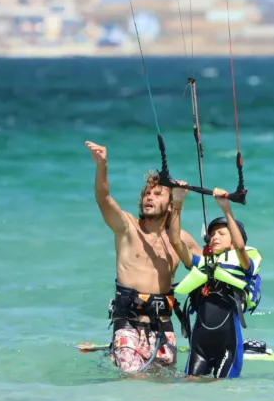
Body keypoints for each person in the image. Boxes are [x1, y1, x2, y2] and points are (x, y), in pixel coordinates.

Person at [85, 140, 202, 375]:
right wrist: (102, 165)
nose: (149, 197)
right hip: (128, 325)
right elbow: (103, 197)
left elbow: (209, 269)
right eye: (147, 193)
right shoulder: (127, 227)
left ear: (170, 205)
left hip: (164, 328)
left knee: (164, 388)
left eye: (158, 194)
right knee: (134, 383)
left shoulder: (183, 240)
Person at [167, 187, 264, 379]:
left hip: (228, 345)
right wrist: (177, 203)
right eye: (212, 235)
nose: (214, 238)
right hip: (199, 344)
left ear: (232, 242)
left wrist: (225, 209)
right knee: (189, 387)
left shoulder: (243, 263)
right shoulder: (202, 263)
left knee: (222, 391)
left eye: (221, 233)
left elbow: (241, 246)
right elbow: (176, 242)